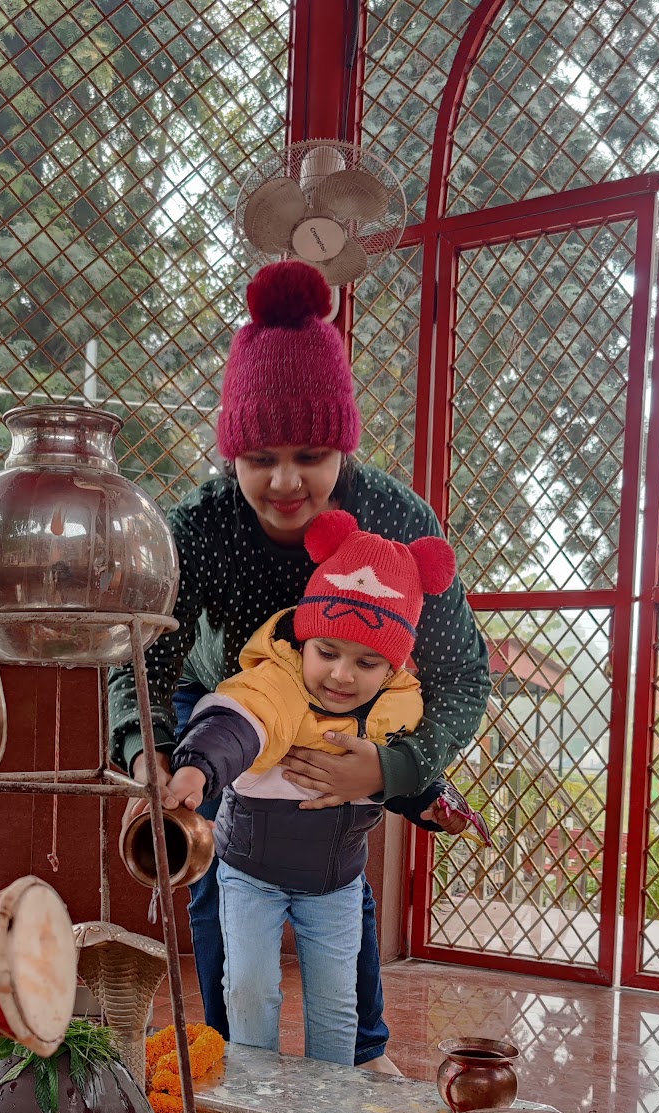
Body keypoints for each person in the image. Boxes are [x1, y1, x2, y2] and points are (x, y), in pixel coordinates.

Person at [108, 258, 491, 1070]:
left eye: (311, 455)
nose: (285, 483)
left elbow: (461, 675)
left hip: (351, 710)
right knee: (220, 873)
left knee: (333, 869)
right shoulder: (200, 526)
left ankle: (358, 1058)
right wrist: (152, 760)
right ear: (232, 455)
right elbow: (141, 658)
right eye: (259, 459)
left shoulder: (392, 516)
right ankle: (227, 1053)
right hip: (222, 703)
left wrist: (390, 767)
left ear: (343, 448)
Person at [166, 508, 477, 1066]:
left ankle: (330, 1105)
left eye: (367, 662)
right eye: (327, 653)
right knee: (249, 990)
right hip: (250, 878)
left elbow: (406, 773)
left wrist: (435, 803)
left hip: (333, 886)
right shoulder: (278, 685)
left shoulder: (392, 710)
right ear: (304, 643)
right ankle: (254, 1096)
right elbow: (237, 723)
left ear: (392, 668)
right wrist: (196, 768)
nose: (341, 675)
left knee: (336, 1004)